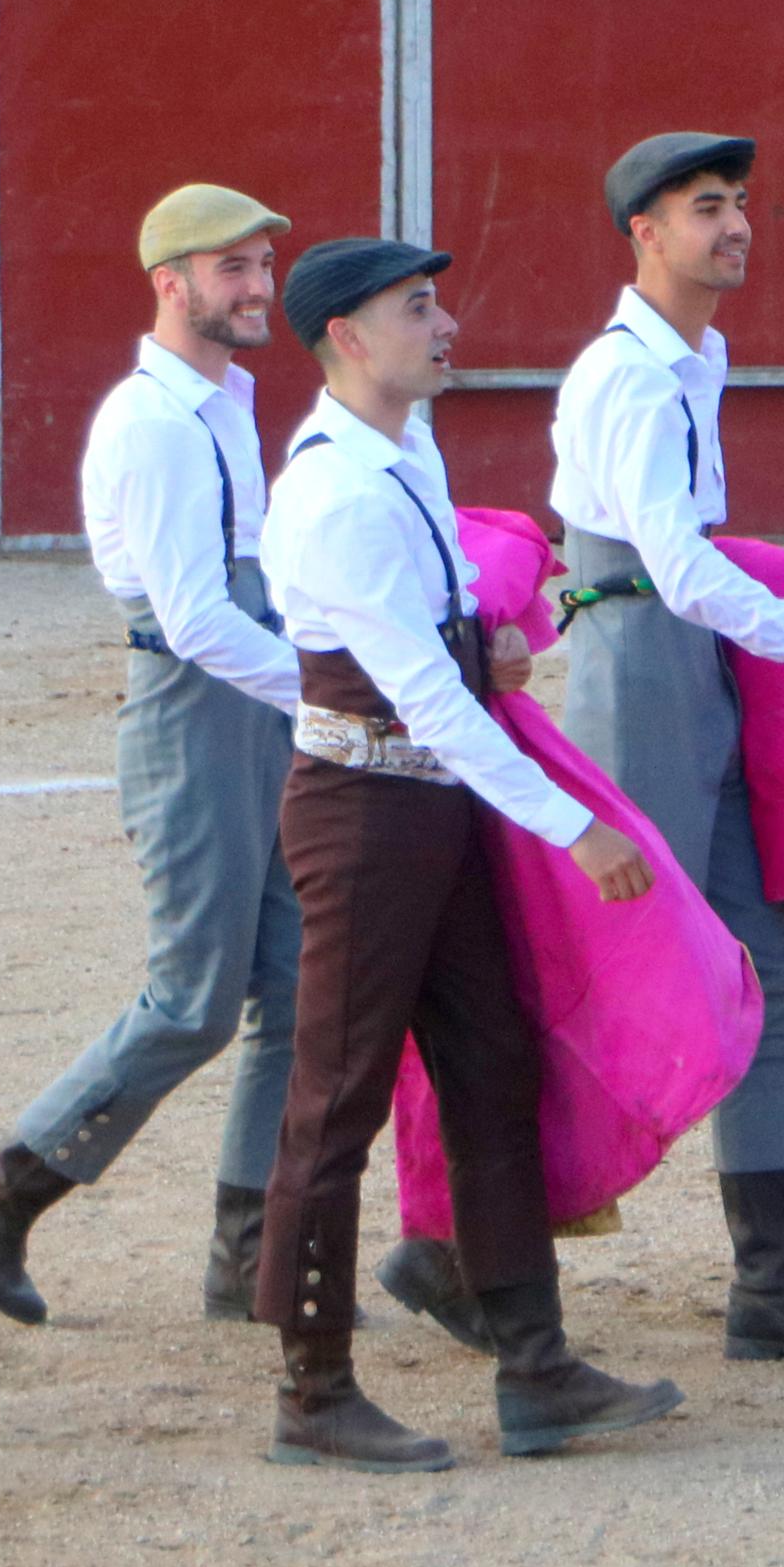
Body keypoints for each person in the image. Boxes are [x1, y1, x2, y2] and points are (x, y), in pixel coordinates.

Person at [252, 235, 685, 1470]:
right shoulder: (334, 488)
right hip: (365, 812)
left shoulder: (397, 456)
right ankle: (311, 1390)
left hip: (423, 811)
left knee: (492, 1071)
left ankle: (536, 1367)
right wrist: (570, 822)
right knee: (333, 1097)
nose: (445, 326)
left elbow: (442, 661)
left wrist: (488, 642)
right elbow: (423, 707)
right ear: (347, 336)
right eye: (416, 308)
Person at [544, 135, 784, 1360]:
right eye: (704, 208)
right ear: (642, 234)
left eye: (740, 206)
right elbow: (677, 566)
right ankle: (455, 1239)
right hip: (642, 678)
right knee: (603, 974)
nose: (735, 226)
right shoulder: (629, 378)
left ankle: (772, 1288)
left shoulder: (692, 358)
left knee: (755, 975)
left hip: (692, 674)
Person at [0, 188, 311, 1328]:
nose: (254, 289)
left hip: (254, 706)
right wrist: (334, 688)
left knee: (294, 987)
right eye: (229, 268)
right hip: (195, 711)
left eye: (261, 267)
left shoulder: (223, 402)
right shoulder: (152, 420)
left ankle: (251, 1260)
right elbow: (193, 619)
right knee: (196, 998)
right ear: (168, 282)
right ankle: (1, 1183)